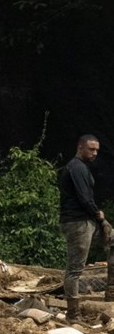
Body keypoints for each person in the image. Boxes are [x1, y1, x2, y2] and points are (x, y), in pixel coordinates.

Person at [59, 134, 113, 318]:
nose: (95, 153)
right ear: (80, 147)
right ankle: (73, 315)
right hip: (78, 222)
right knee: (75, 269)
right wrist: (99, 216)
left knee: (112, 239)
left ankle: (111, 295)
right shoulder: (76, 167)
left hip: (86, 221)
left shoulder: (81, 168)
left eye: (97, 150)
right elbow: (84, 198)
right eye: (91, 149)